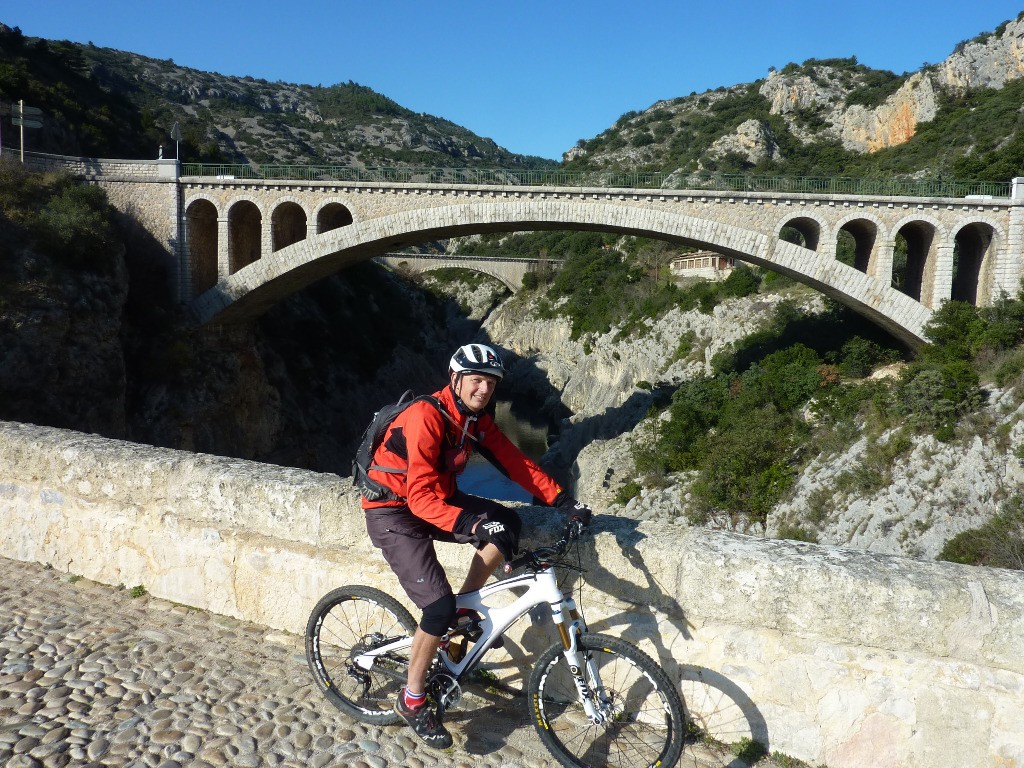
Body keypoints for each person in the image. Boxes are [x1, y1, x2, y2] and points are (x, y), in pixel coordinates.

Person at [361, 343, 592, 748]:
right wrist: (472, 522)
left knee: (511, 521)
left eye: (491, 383)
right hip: (393, 511)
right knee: (436, 607)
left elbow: (514, 462)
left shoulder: (475, 420)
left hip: (436, 498)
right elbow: (418, 498)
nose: (484, 389)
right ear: (456, 379)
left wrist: (563, 501)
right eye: (476, 380)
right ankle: (412, 699)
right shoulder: (426, 417)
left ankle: (466, 606)